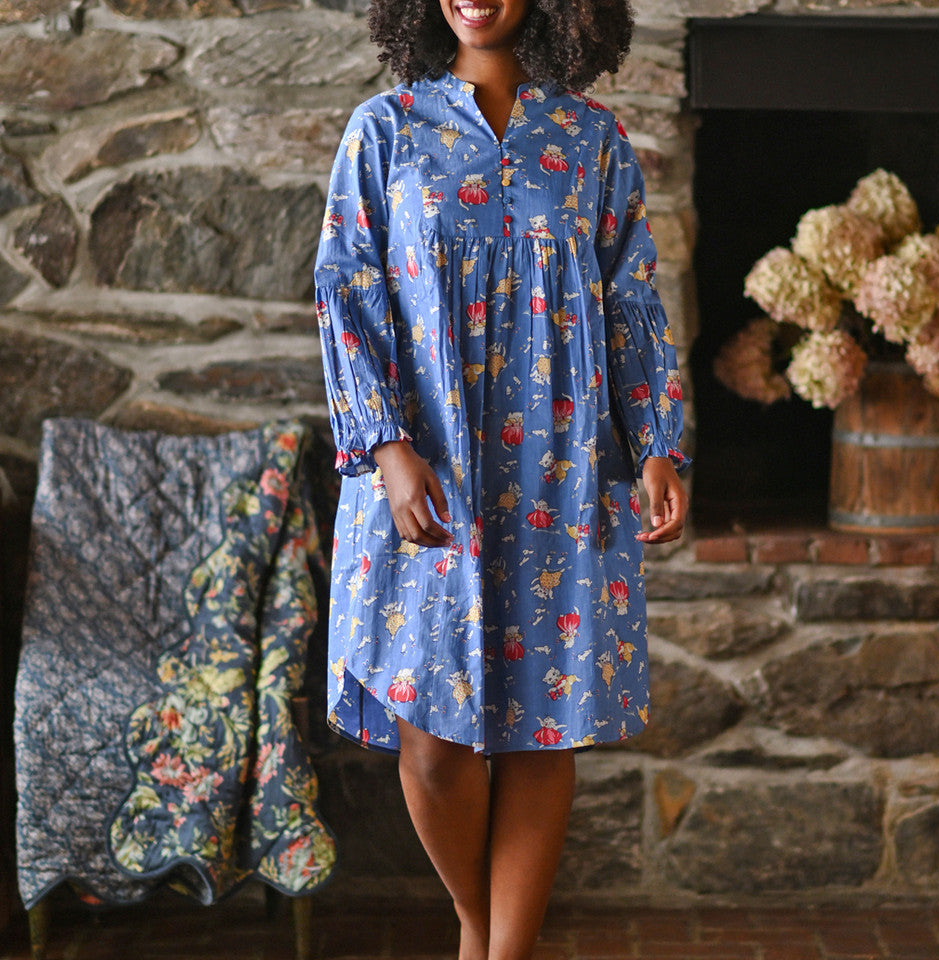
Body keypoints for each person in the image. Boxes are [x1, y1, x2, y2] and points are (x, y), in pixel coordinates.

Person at [314, 2, 690, 957]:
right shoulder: (385, 128)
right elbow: (346, 290)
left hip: (558, 469)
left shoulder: (592, 139)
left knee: (541, 726)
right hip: (424, 474)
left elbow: (632, 295)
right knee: (432, 741)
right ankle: (477, 922)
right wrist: (388, 447)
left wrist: (656, 440)